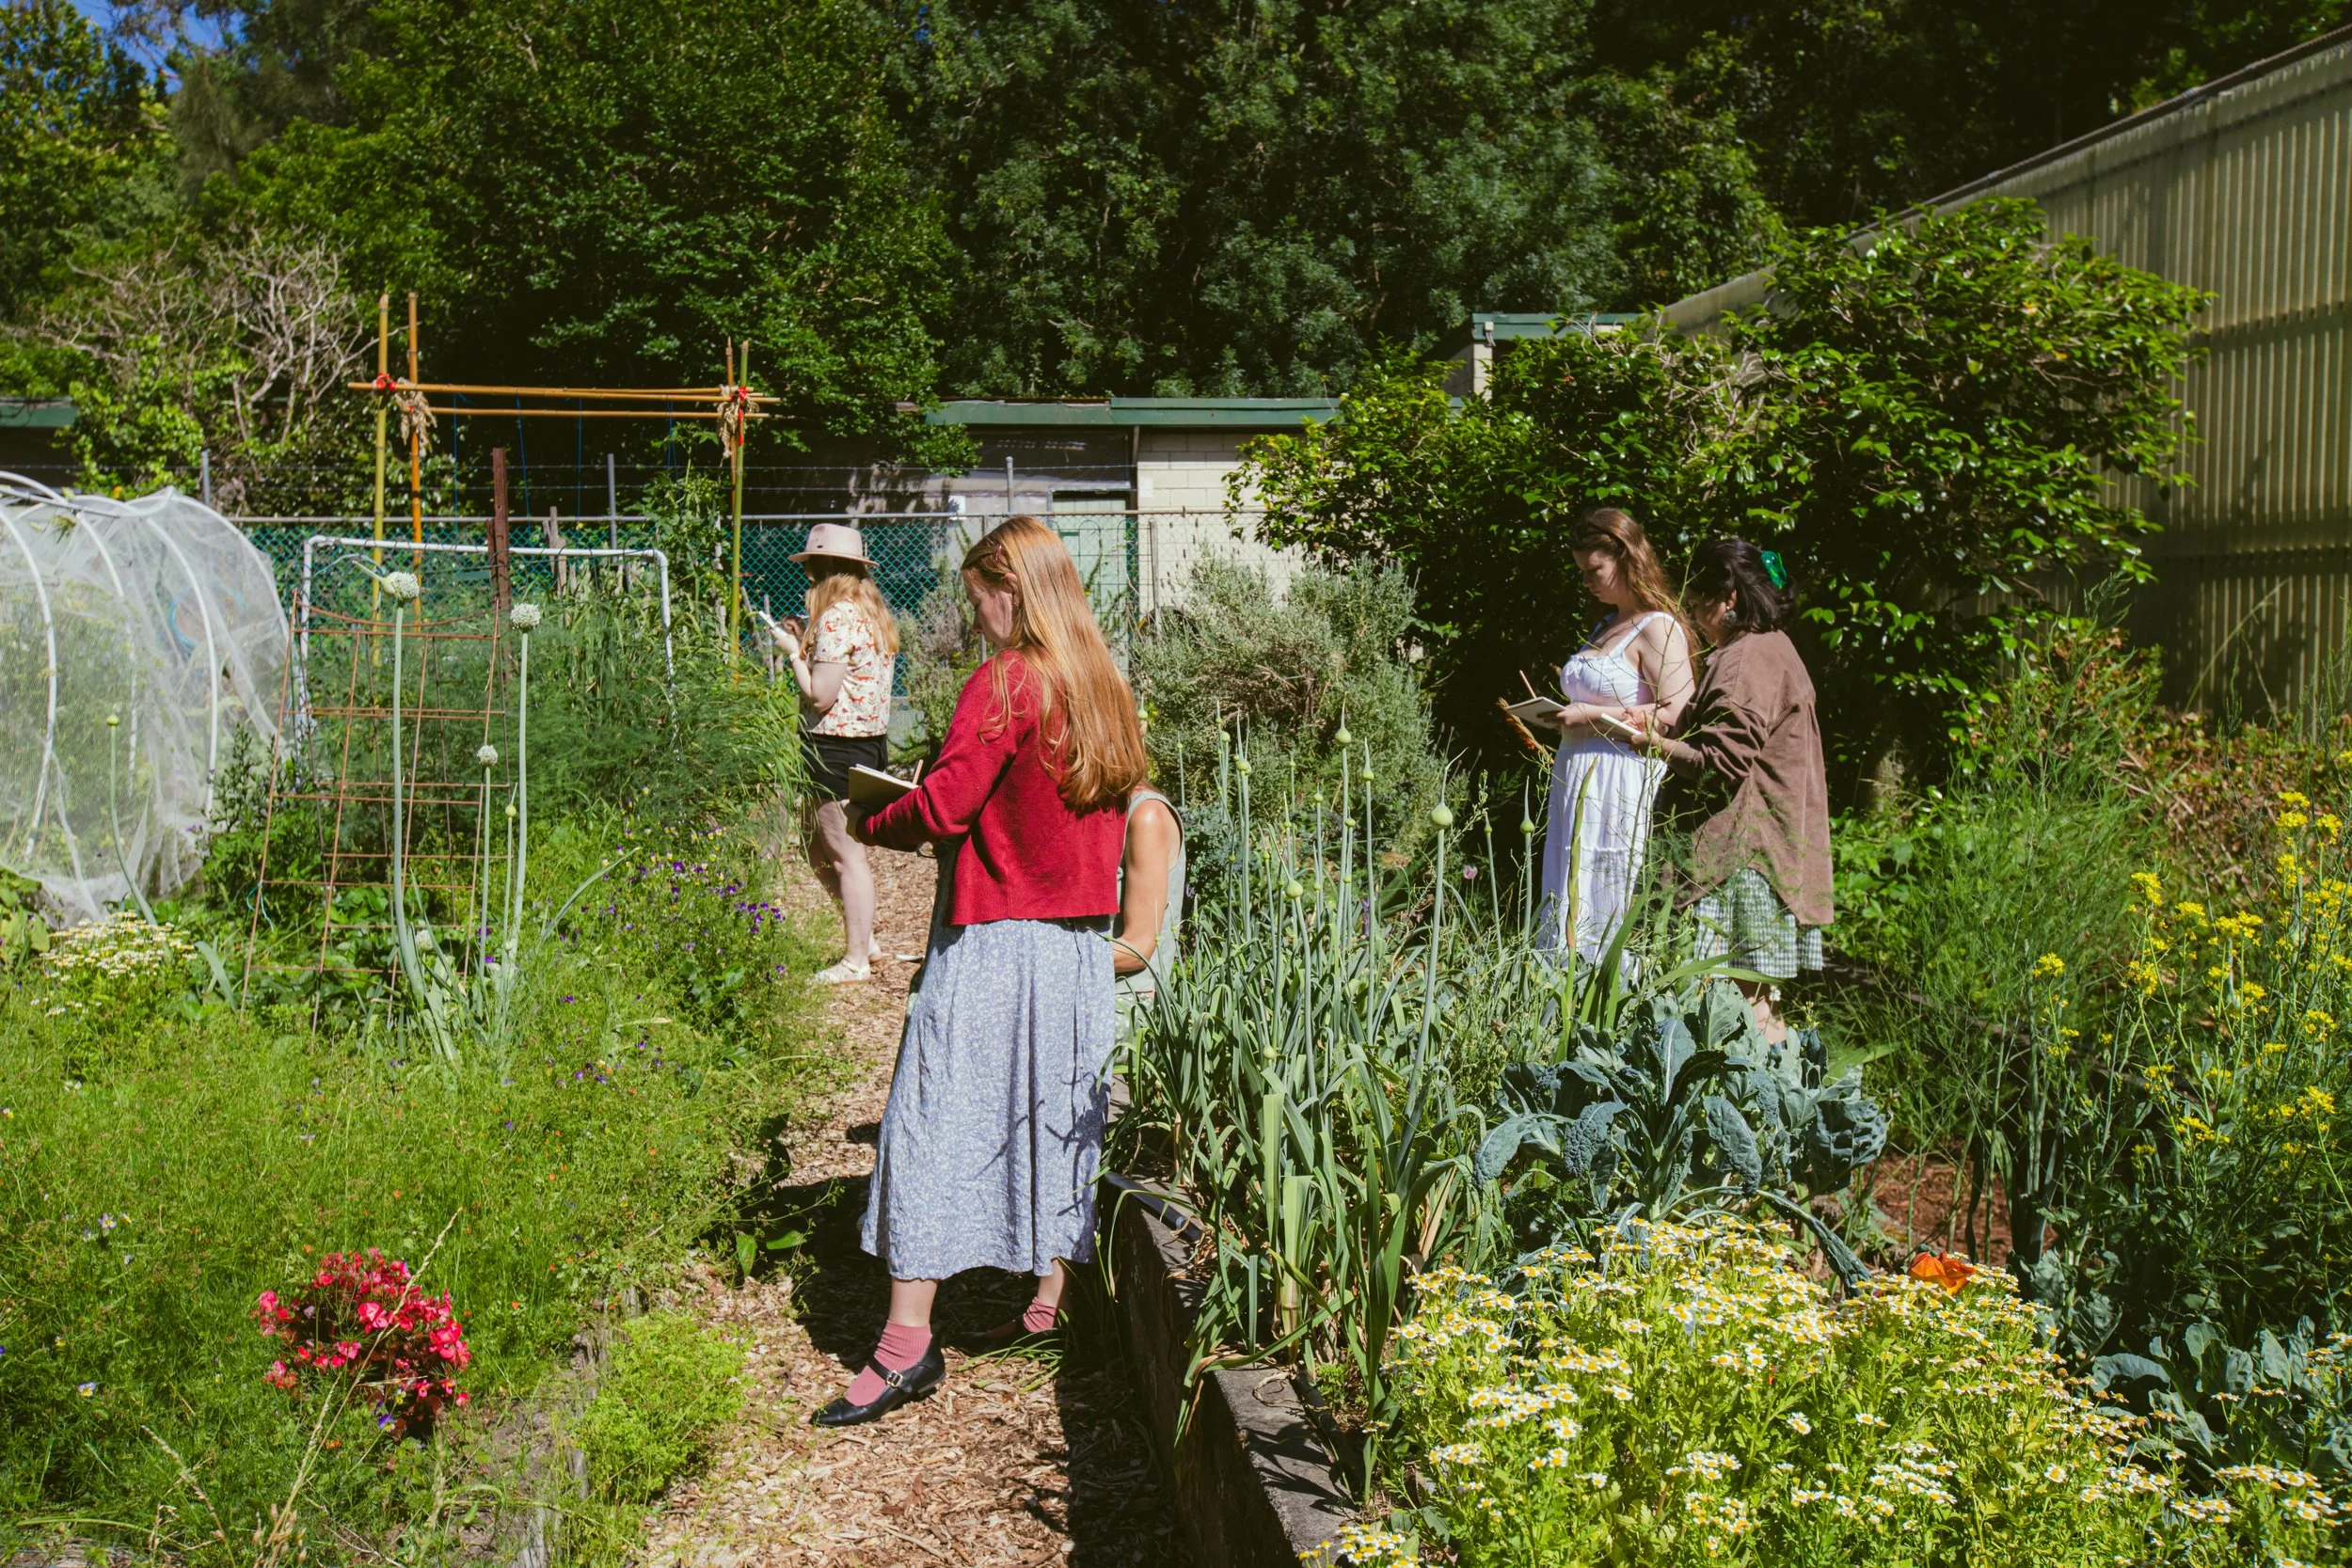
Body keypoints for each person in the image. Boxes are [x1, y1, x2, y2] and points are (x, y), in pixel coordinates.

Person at [819, 515, 1146, 1426]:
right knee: (1053, 1117)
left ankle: (904, 1345)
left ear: (1013, 590)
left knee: (930, 1123)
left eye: (981, 602)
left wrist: (874, 817)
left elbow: (948, 806)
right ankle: (1055, 1296)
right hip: (1078, 944)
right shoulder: (1104, 681)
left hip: (997, 935)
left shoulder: (1006, 681)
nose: (979, 622)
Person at [1632, 538, 1831, 1044]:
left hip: (1737, 864)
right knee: (1758, 1006)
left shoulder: (1744, 660)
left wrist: (1647, 742)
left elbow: (1721, 766)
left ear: (1731, 598)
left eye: (1699, 600)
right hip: (1762, 858)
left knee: (1732, 1008)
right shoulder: (1772, 648)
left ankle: (1756, 1115)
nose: (1694, 614)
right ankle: (1779, 1114)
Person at [1535, 508, 1694, 958]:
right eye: (1580, 572)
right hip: (1575, 771)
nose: (1586, 582)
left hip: (1619, 776)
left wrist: (1591, 717)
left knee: (1608, 877)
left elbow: (1678, 711)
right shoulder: (1606, 624)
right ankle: (1563, 988)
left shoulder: (1658, 626)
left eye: (1593, 570)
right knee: (1570, 878)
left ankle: (1608, 996)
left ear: (1624, 558)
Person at [772, 522, 899, 985]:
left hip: (836, 747)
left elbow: (820, 696)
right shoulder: (870, 614)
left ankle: (856, 960)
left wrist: (791, 653)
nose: (808, 579)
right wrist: (807, 639)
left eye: (811, 571)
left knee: (845, 855)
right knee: (815, 845)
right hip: (864, 743)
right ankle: (864, 939)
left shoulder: (837, 617)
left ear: (825, 570)